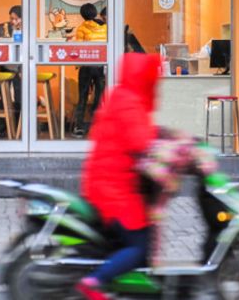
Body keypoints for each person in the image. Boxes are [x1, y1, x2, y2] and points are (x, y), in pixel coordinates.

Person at [77, 53, 161, 299]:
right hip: (115, 189)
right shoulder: (130, 103)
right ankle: (94, 282)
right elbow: (141, 142)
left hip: (107, 182)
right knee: (139, 244)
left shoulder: (120, 96)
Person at [72, 3, 107, 138]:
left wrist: (77, 65)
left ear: (82, 15)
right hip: (101, 65)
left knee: (83, 96)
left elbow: (78, 49)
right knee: (100, 96)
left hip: (86, 66)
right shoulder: (105, 27)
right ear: (95, 12)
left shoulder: (81, 28)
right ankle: (98, 124)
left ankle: (79, 127)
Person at [0, 5, 23, 137]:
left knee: (20, 98)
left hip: (20, 68)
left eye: (16, 19)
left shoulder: (27, 29)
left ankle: (19, 128)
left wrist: (22, 70)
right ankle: (2, 128)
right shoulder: (3, 28)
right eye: (11, 18)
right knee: (4, 99)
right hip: (5, 67)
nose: (13, 21)